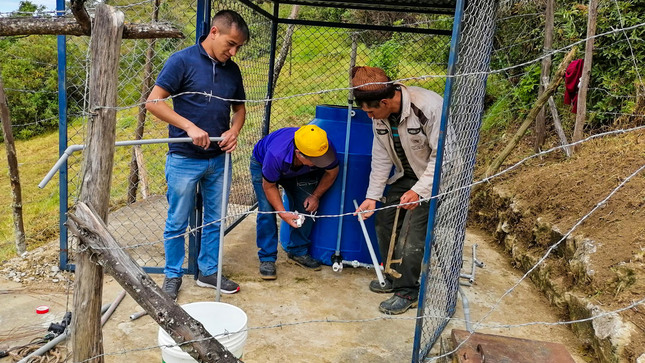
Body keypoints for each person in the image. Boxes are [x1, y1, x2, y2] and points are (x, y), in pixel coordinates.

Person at [145, 10, 249, 300]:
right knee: (177, 220)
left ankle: (208, 272)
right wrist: (188, 126)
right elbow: (153, 103)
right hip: (184, 159)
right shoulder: (182, 61)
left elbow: (239, 109)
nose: (234, 51)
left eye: (238, 47)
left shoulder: (233, 70)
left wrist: (234, 131)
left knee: (215, 219)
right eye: (230, 43)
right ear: (214, 32)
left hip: (219, 159)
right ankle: (172, 275)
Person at [352, 66, 443, 315]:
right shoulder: (379, 116)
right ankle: (392, 274)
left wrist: (420, 191)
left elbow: (444, 157)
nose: (368, 116)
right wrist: (372, 197)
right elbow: (381, 156)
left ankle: (408, 290)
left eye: (371, 111)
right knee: (384, 220)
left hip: (434, 177)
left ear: (384, 101)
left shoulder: (428, 107)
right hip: (406, 175)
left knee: (411, 231)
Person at [251, 125, 339, 280]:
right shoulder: (275, 154)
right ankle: (267, 258)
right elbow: (269, 186)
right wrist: (282, 213)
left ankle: (297, 251)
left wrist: (316, 196)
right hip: (264, 164)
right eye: (316, 160)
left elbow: (332, 171)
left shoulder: (322, 146)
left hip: (300, 170)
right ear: (299, 154)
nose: (321, 162)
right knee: (267, 210)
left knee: (306, 205)